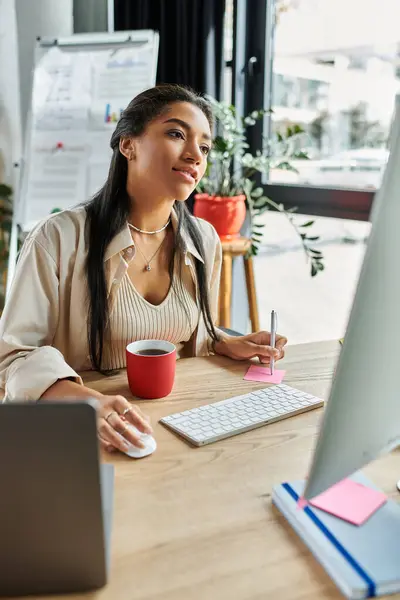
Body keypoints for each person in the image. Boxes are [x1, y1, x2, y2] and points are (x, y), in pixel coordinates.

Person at [0, 84, 287, 453]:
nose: (194, 156)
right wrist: (90, 402)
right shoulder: (58, 238)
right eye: (176, 134)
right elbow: (13, 357)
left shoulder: (204, 239)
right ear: (127, 145)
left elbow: (183, 343)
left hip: (176, 425)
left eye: (204, 146)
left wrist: (222, 341)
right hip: (84, 433)